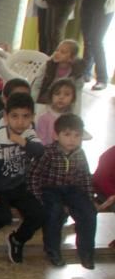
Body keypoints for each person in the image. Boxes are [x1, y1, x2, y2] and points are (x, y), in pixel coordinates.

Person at [0, 91, 45, 262]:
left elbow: (40, 152)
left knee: (39, 214)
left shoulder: (29, 133)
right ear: (6, 116)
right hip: (0, 188)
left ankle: (17, 239)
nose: (20, 121)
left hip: (19, 186)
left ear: (32, 117)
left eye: (25, 116)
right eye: (15, 116)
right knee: (3, 218)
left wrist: (20, 140)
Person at [29, 114, 96, 268]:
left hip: (72, 189)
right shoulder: (47, 152)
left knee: (89, 213)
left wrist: (89, 198)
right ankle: (52, 250)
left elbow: (85, 177)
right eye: (67, 134)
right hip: (50, 189)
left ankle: (86, 252)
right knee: (54, 212)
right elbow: (34, 175)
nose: (72, 139)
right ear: (56, 135)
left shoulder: (80, 153)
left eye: (76, 135)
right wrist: (38, 197)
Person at [35, 78, 77, 146]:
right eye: (57, 94)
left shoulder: (72, 119)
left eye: (67, 94)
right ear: (51, 96)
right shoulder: (44, 118)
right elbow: (41, 140)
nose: (61, 97)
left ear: (73, 99)